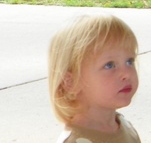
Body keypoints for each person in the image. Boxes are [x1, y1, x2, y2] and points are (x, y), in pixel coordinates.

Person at [48, 14, 141, 143]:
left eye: (129, 61)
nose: (126, 74)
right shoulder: (76, 140)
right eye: (109, 65)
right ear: (71, 82)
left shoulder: (125, 127)